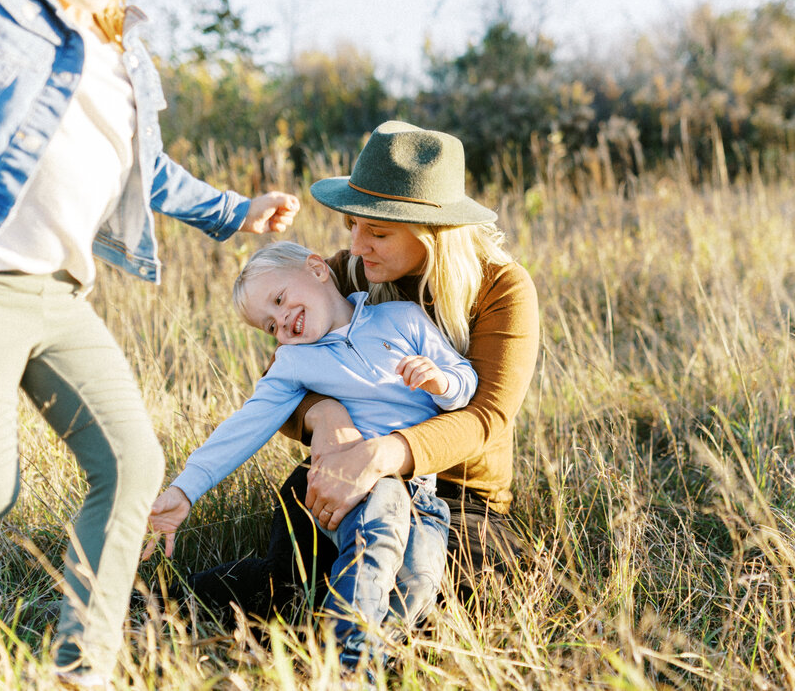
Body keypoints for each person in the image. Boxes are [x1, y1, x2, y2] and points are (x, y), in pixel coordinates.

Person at [0, 0, 299, 686]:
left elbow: (146, 168)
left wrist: (234, 210)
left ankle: (84, 669)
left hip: (56, 292)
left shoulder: (121, 45)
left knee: (132, 464)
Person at [164, 120, 540, 627]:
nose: (359, 245)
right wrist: (325, 415)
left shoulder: (502, 289)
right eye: (354, 226)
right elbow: (281, 373)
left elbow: (486, 419)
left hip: (453, 494)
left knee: (457, 595)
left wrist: (383, 454)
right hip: (345, 468)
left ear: (434, 232)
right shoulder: (348, 270)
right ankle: (165, 602)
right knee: (290, 578)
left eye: (378, 231)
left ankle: (352, 635)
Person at [145, 240, 476, 669]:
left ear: (318, 269)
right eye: (269, 325)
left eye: (280, 299)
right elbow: (245, 425)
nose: (282, 321)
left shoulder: (402, 319)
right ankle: (347, 662)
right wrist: (185, 489)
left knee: (418, 581)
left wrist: (441, 383)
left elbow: (465, 379)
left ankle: (370, 654)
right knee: (375, 540)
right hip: (362, 486)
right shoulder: (294, 362)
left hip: (425, 494)